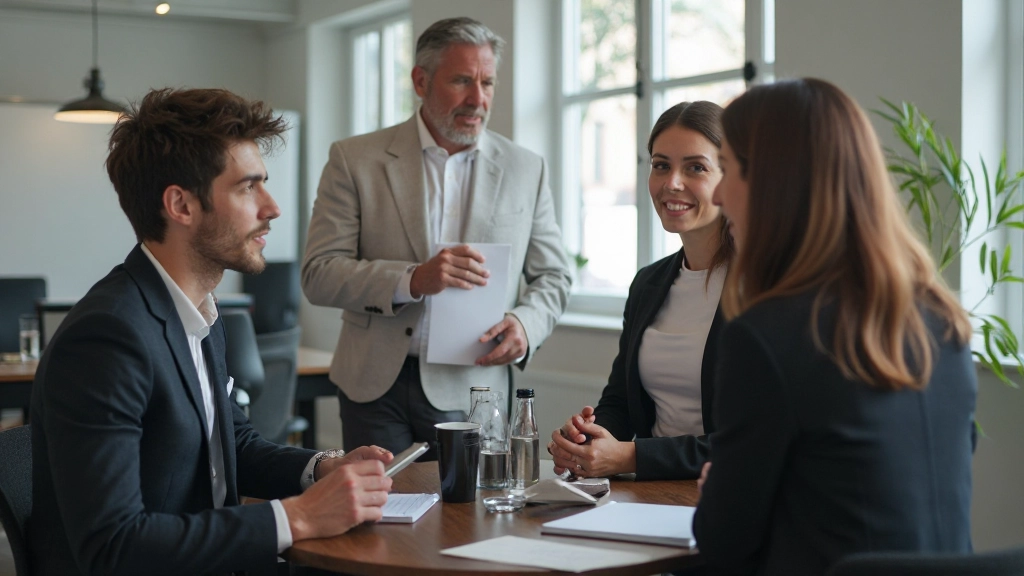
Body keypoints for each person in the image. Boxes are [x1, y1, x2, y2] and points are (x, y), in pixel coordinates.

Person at [29, 88, 395, 576]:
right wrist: (299, 516)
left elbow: (228, 443)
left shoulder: (199, 309)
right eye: (248, 187)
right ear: (181, 205)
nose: (272, 207)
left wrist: (322, 467)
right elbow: (112, 546)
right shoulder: (107, 338)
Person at [693, 78, 977, 575]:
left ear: (772, 183)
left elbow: (723, 542)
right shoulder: (942, 319)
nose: (717, 194)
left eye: (729, 167)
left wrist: (717, 491)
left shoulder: (764, 337)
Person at [302, 17, 571, 457]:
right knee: (379, 519)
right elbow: (318, 273)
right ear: (420, 81)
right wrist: (412, 280)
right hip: (373, 385)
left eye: (487, 82)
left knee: (472, 522)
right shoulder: (354, 160)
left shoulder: (527, 168)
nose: (478, 99)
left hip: (474, 389)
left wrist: (526, 323)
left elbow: (554, 276)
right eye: (462, 81)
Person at [547, 101, 733, 481]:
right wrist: (588, 440)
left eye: (695, 167)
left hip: (725, 496)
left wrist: (629, 457)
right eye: (661, 165)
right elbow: (621, 402)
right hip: (648, 496)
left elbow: (751, 440)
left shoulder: (765, 290)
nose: (672, 183)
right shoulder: (649, 283)